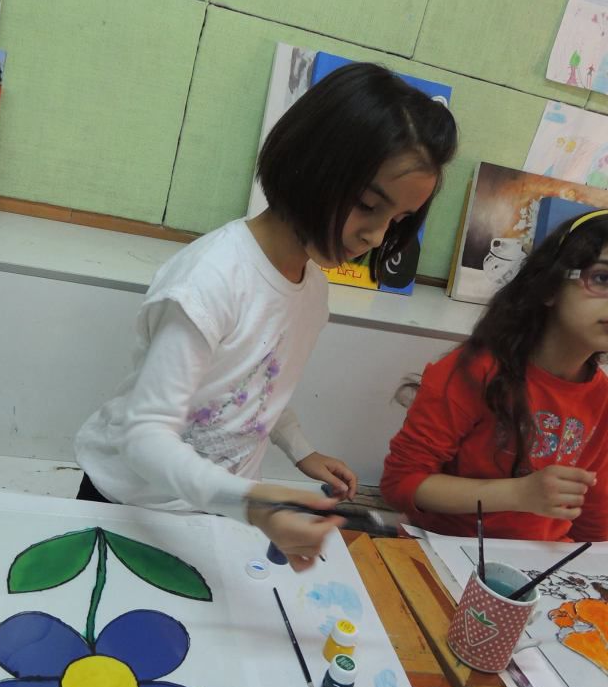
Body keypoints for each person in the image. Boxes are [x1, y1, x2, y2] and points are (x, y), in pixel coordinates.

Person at [75, 62, 457, 569]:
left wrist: (300, 450)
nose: (376, 236)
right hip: (127, 507)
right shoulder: (211, 279)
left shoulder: (312, 287)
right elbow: (143, 438)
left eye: (398, 220)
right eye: (368, 205)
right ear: (311, 164)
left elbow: (257, 386)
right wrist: (253, 504)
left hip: (212, 514)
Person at [381, 210, 608, 542]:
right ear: (550, 287)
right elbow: (400, 484)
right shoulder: (475, 371)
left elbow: (594, 515)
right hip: (453, 552)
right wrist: (518, 493)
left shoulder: (601, 398)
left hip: (543, 560)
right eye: (602, 279)